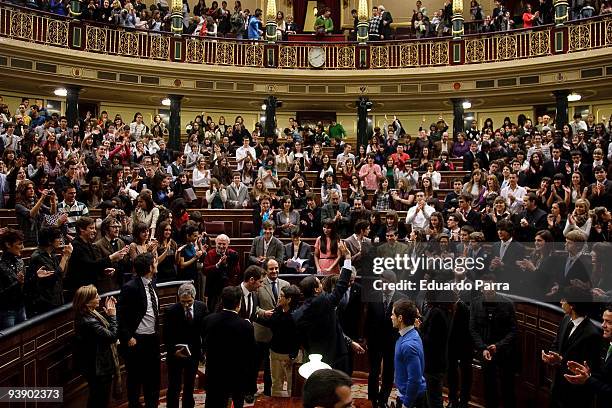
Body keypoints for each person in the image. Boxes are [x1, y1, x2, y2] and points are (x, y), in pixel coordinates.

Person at [295, 241, 353, 373]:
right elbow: (342, 285)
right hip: (335, 355)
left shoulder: (299, 312)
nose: (322, 283)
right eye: (319, 283)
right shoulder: (323, 301)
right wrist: (348, 259)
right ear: (316, 290)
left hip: (313, 356)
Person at [541, 286, 601, 408]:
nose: (561, 302)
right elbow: (556, 344)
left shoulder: (591, 334)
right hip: (557, 387)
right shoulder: (565, 319)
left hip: (575, 394)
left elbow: (586, 367)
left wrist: (561, 360)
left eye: (564, 299)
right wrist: (551, 356)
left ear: (572, 305)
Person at [117, 253, 160, 408]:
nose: (157, 263)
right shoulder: (130, 287)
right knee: (135, 379)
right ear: (150, 267)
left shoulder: (152, 282)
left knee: (153, 379)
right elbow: (120, 315)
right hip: (136, 341)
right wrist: (128, 337)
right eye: (155, 262)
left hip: (152, 339)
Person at [202, 286, 256, 408]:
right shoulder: (246, 326)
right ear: (239, 304)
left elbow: (204, 345)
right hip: (237, 377)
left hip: (214, 375)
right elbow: (250, 356)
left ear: (222, 301)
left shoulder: (208, 320)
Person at [470, 274, 519, 408]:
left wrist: (498, 346)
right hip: (485, 352)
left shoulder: (507, 304)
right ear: (481, 288)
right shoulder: (475, 304)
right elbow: (473, 329)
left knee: (507, 388)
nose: (489, 288)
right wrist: (483, 348)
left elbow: (513, 330)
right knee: (489, 388)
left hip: (504, 353)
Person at [72, 285, 119, 408]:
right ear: (87, 302)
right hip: (98, 369)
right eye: (96, 296)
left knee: (97, 399)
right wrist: (113, 316)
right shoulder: (89, 322)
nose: (99, 297)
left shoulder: (89, 315)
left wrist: (109, 314)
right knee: (99, 401)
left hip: (95, 367)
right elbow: (112, 336)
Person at [365, 270, 406, 408]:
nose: (383, 285)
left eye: (385, 282)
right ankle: (373, 399)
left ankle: (383, 398)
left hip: (393, 342)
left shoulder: (402, 300)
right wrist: (366, 339)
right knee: (374, 372)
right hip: (374, 342)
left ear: (393, 283)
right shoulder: (373, 296)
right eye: (381, 282)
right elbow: (368, 321)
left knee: (389, 372)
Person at [163, 283, 209, 408]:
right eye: (183, 302)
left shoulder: (202, 307)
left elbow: (205, 331)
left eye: (189, 301)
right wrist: (173, 351)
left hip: (193, 353)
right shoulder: (171, 311)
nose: (186, 304)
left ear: (194, 297)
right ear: (179, 298)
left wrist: (203, 351)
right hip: (175, 355)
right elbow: (166, 335)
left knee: (189, 385)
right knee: (174, 386)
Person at [252, 258, 289, 397]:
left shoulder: (285, 284)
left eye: (276, 268)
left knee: (271, 366)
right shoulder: (259, 285)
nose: (274, 271)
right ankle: (251, 390)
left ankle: (268, 390)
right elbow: (253, 307)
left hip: (277, 334)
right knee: (255, 364)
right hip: (261, 332)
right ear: (266, 270)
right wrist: (263, 312)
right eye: (271, 269)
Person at [564, 304, 612, 408]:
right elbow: (605, 377)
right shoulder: (607, 345)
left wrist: (588, 379)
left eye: (609, 322)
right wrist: (588, 374)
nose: (603, 325)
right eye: (603, 320)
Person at [257, 284, 301, 397]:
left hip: (291, 356)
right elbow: (270, 322)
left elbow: (299, 337)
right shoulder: (278, 310)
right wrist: (254, 316)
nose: (278, 298)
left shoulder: (296, 315)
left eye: (281, 296)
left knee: (293, 386)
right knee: (276, 383)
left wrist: (293, 355)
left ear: (289, 299)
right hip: (275, 352)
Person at [67, 217, 129, 294]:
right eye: (91, 228)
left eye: (94, 228)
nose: (94, 231)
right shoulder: (76, 246)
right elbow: (89, 266)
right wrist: (111, 257)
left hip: (92, 286)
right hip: (81, 289)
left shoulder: (88, 244)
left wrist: (103, 271)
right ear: (81, 229)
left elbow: (95, 264)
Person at [26, 226, 72, 316]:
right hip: (46, 303)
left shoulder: (52, 254)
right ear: (49, 240)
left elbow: (62, 275)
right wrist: (65, 257)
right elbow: (54, 276)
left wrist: (67, 257)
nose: (60, 240)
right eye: (58, 237)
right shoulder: (38, 257)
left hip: (57, 298)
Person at [391, 298, 427, 408]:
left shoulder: (408, 345)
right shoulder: (411, 334)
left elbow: (414, 379)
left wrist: (406, 404)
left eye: (393, 314)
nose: (391, 317)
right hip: (405, 394)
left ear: (400, 318)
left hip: (412, 399)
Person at [202, 233, 242, 311]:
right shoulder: (210, 253)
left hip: (228, 287)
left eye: (224, 244)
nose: (221, 246)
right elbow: (205, 270)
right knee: (213, 310)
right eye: (219, 244)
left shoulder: (232, 253)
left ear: (228, 244)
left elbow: (237, 271)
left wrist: (227, 264)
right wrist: (217, 265)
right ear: (216, 243)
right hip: (213, 288)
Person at [0, 229, 27, 329]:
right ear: (8, 244)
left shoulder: (20, 262)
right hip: (6, 311)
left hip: (21, 307)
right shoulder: (1, 265)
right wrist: (17, 283)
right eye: (19, 244)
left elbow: (24, 285)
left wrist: (35, 277)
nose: (23, 247)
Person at [93, 217, 130, 293]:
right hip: (107, 283)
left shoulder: (121, 242)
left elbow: (124, 263)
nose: (117, 229)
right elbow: (98, 265)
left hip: (120, 281)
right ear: (106, 229)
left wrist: (125, 254)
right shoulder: (98, 245)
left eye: (118, 227)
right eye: (114, 227)